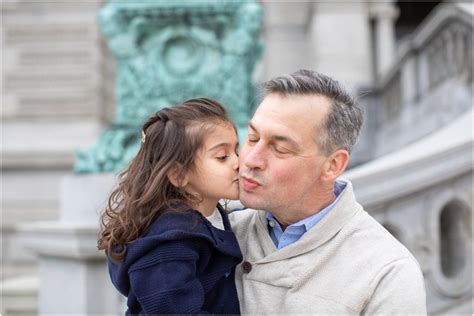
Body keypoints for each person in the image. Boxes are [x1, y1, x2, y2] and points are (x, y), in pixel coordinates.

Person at [230, 69, 427, 314]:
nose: (251, 159)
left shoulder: (387, 272)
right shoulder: (220, 231)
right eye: (251, 138)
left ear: (333, 165)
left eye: (279, 148)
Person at [97, 98, 242, 314]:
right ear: (179, 174)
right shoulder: (169, 243)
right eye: (222, 157)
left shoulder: (210, 217)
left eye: (236, 151)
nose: (238, 162)